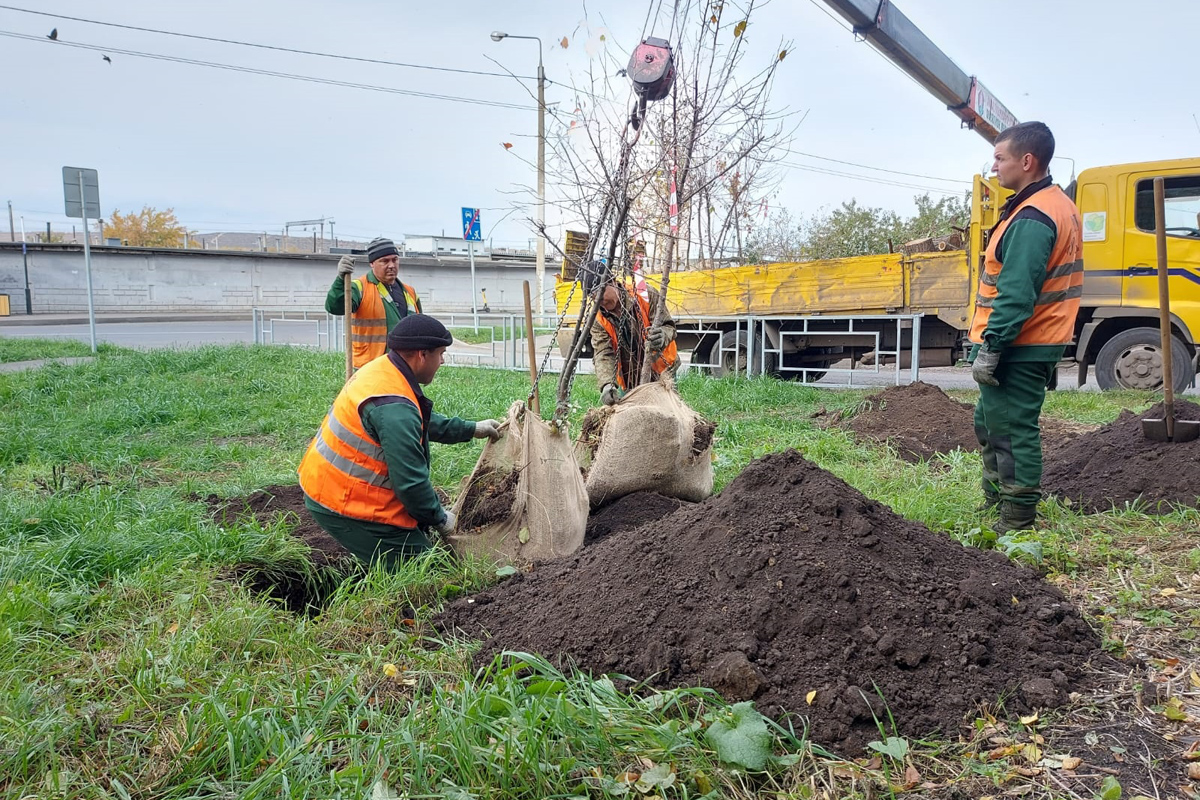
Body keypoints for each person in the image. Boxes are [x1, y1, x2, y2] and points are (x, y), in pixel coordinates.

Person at [298, 314, 501, 568]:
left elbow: (419, 419)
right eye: (440, 353)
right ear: (421, 355)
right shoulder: (394, 409)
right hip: (344, 503)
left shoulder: (384, 369)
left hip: (328, 483)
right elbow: (410, 483)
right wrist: (440, 520)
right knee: (432, 571)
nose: (442, 361)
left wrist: (470, 429)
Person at [968, 121, 1083, 533]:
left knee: (1012, 432)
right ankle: (996, 504)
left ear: (1027, 161)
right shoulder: (1050, 204)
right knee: (991, 423)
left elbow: (1016, 292)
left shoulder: (1034, 217)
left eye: (1000, 158)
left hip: (1019, 345)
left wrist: (993, 345)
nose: (994, 167)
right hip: (1031, 341)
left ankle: (1016, 525)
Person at [585, 263, 679, 406]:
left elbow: (669, 327)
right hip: (628, 378)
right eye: (594, 299)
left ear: (612, 282)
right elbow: (603, 352)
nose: (601, 303)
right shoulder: (598, 319)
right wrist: (607, 384)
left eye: (602, 297)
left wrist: (662, 336)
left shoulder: (644, 294)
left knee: (668, 414)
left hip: (661, 371)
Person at [327, 237, 423, 369]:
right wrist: (340, 280)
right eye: (384, 261)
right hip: (370, 369)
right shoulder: (358, 287)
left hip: (404, 368)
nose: (391, 265)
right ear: (372, 263)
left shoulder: (410, 292)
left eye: (395, 259)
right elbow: (335, 307)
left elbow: (421, 328)